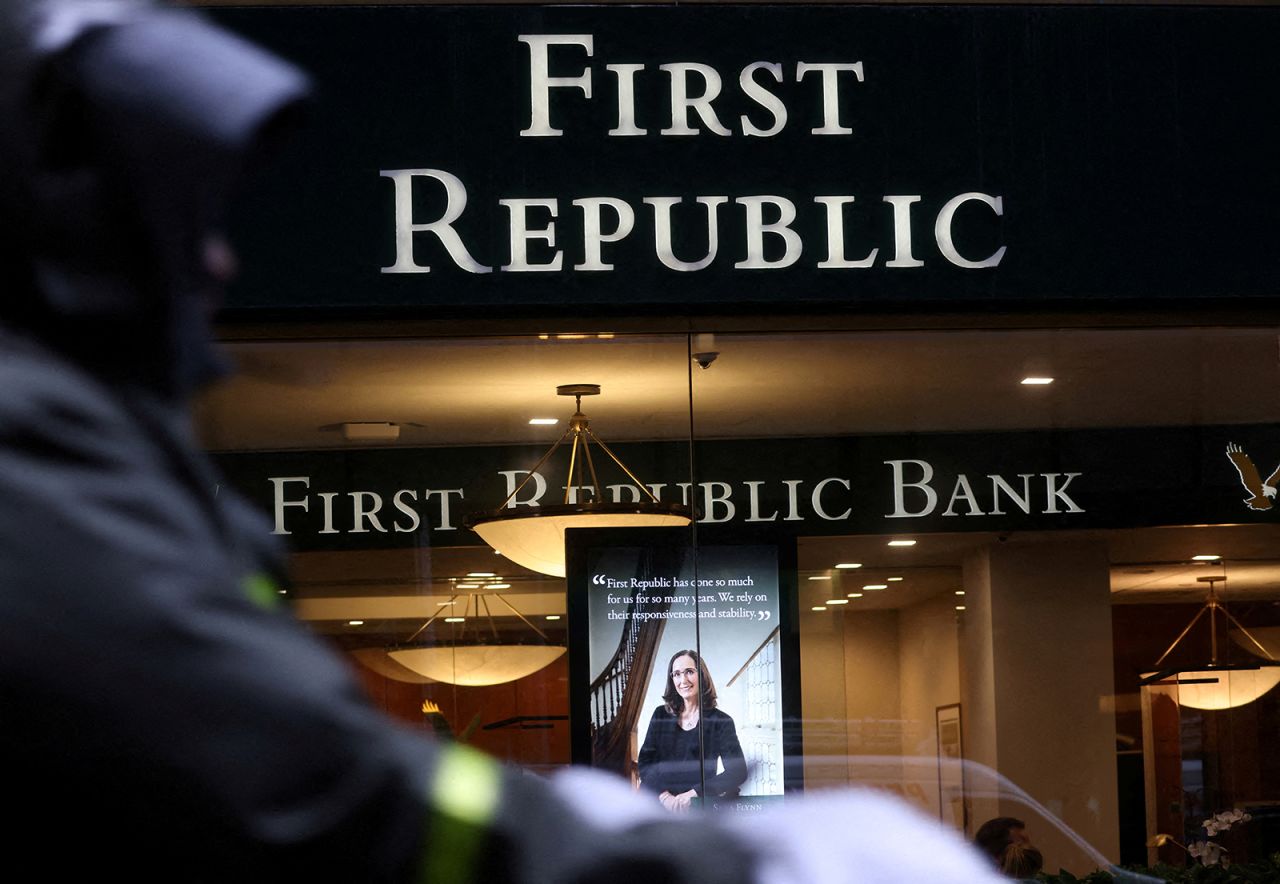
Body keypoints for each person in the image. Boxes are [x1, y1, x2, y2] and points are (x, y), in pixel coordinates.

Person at [0, 2, 1012, 881]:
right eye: (168, 213)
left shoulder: (69, 426)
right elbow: (295, 779)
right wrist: (724, 861)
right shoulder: (26, 438)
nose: (216, 260)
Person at [637, 649, 748, 810]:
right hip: (657, 801)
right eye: (676, 674)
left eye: (689, 672)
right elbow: (645, 763)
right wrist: (666, 797)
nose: (683, 680)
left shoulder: (721, 721)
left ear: (702, 675)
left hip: (697, 805)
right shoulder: (660, 714)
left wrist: (694, 794)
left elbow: (738, 772)